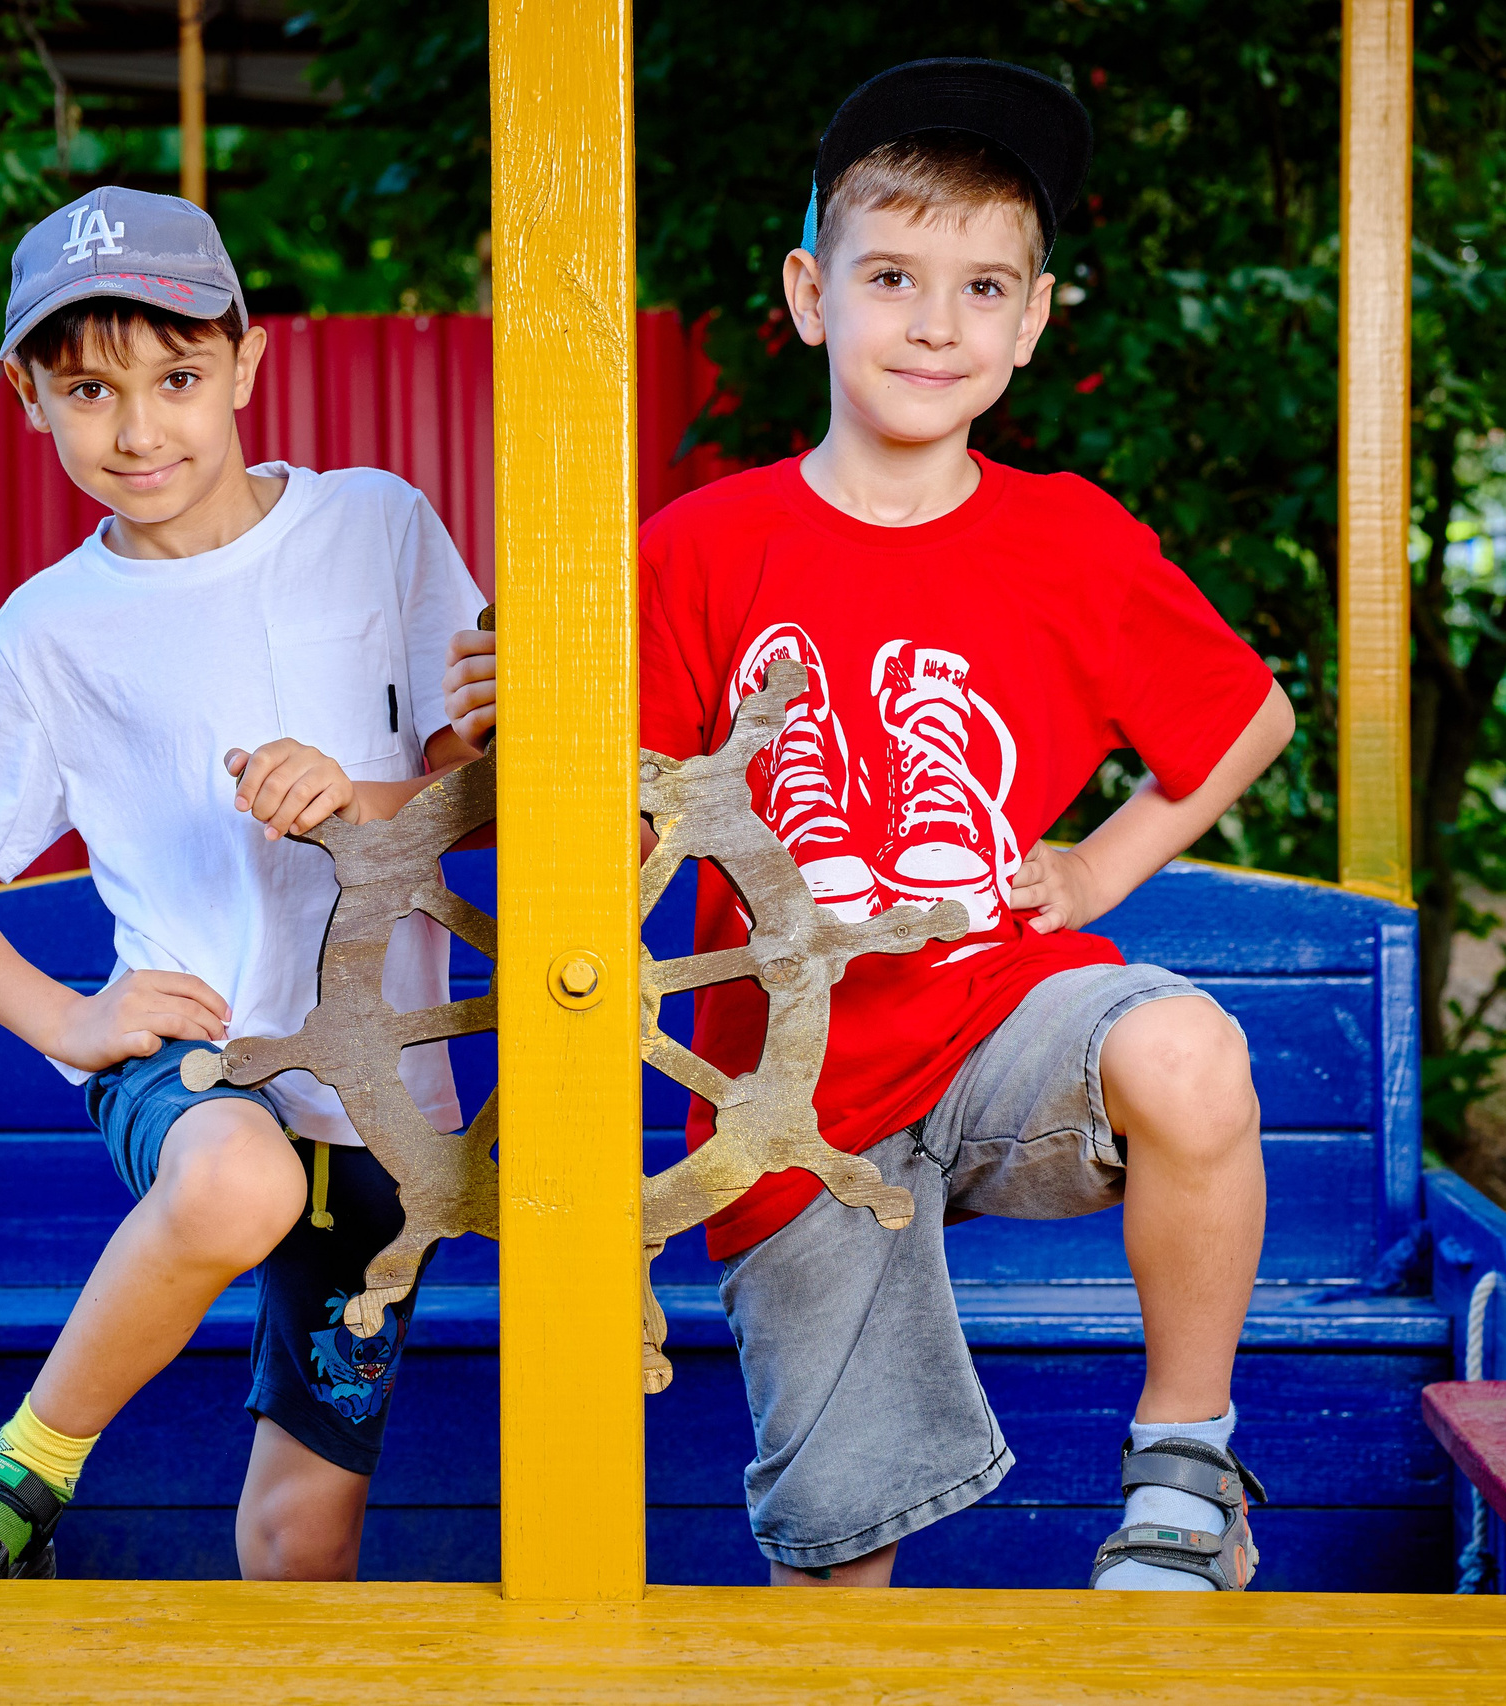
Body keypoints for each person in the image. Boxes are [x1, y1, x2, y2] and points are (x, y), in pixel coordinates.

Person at [444, 59, 1292, 1592]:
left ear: (1032, 320)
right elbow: (601, 808)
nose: (937, 321)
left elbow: (1250, 712)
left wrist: (1100, 861)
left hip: (995, 1018)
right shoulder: (699, 549)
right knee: (837, 1554)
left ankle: (1184, 1461)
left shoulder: (1069, 539)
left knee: (1188, 1052)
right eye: (892, 275)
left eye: (984, 286)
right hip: (789, 1094)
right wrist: (532, 713)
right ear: (811, 293)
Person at [0, 186, 488, 1582]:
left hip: (386, 1096)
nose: (139, 429)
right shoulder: (47, 633)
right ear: (27, 393)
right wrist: (72, 1021)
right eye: (89, 388)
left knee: (301, 1526)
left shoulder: (379, 529)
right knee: (237, 1183)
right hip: (197, 1056)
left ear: (249, 363)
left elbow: (483, 792)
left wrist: (361, 797)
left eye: (178, 377)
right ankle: (16, 1472)